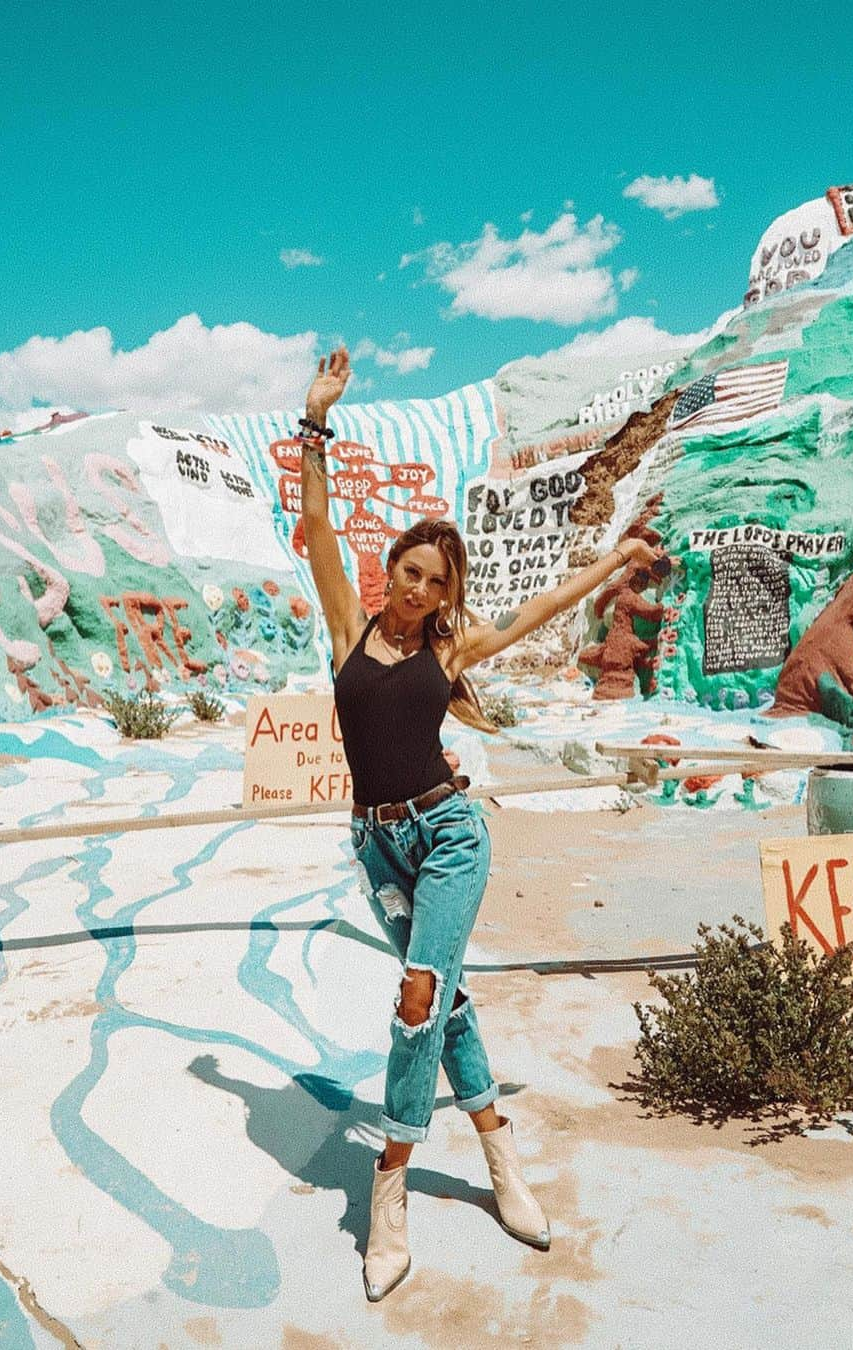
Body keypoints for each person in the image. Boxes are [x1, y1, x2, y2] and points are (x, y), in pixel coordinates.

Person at [298, 346, 661, 1302]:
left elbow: (541, 606)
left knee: (418, 998)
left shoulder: (452, 649)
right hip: (376, 845)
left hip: (450, 835)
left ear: (446, 593)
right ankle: (501, 1156)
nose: (418, 591)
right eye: (409, 574)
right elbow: (317, 532)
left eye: (434, 582)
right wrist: (314, 421)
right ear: (391, 573)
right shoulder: (350, 628)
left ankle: (389, 1190)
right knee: (447, 1004)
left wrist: (610, 561)